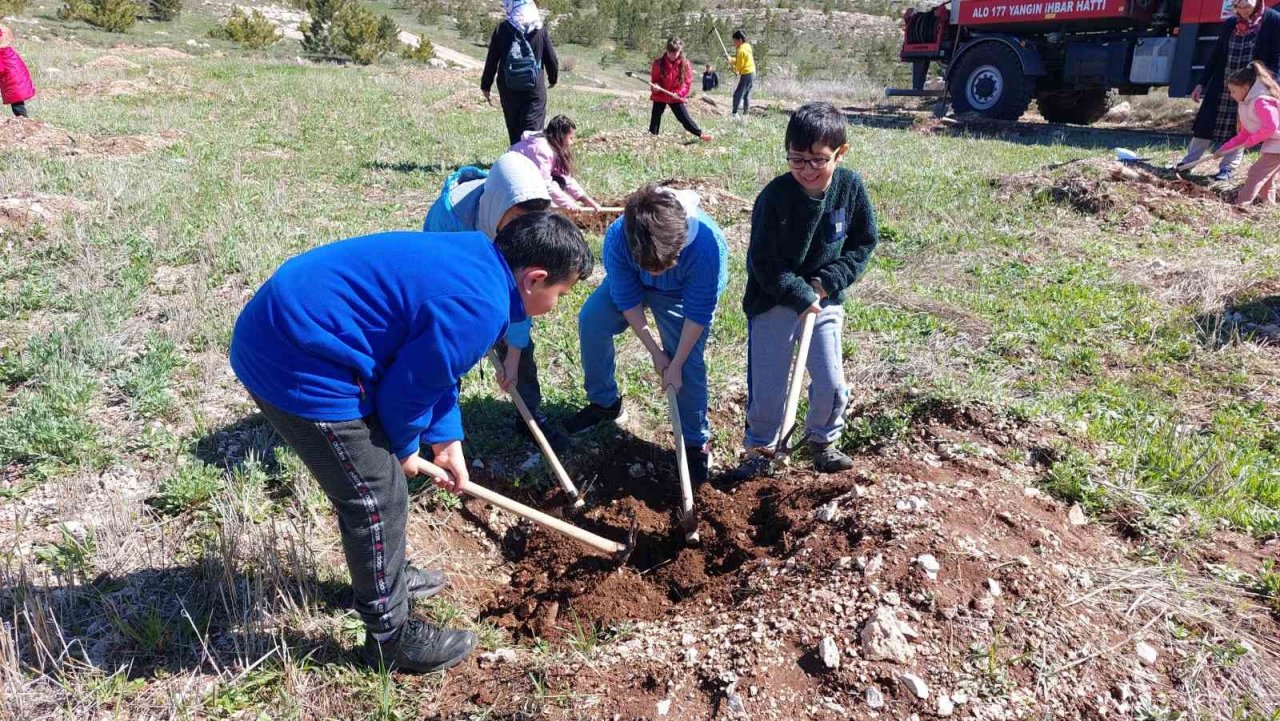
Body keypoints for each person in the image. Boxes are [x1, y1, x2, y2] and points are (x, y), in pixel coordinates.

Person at [229, 213, 593, 673]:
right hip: (295, 358)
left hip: (293, 324)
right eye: (560, 294)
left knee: (379, 484)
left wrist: (446, 440)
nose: (557, 304)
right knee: (376, 496)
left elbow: (432, 365)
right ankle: (390, 638)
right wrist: (403, 449)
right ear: (534, 278)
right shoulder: (480, 305)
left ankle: (389, 580)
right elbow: (404, 394)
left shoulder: (477, 259)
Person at [732, 102, 878, 480]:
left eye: (819, 160)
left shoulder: (850, 188)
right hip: (774, 300)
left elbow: (863, 243)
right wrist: (799, 293)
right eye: (797, 160)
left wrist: (827, 282)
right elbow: (762, 262)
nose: (807, 170)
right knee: (768, 389)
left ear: (840, 154)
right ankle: (761, 449)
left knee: (831, 383)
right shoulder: (774, 198)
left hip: (826, 298)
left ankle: (822, 441)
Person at [564, 184, 728, 484]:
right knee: (592, 320)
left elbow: (697, 315)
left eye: (663, 265)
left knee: (688, 362)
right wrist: (655, 353)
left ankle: (695, 442)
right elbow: (626, 298)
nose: (657, 272)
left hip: (681, 295)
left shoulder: (706, 247)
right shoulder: (618, 237)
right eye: (650, 266)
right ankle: (604, 402)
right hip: (633, 285)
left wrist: (674, 364)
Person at [422, 152, 570, 452]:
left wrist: (512, 353)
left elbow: (525, 294)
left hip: (498, 285)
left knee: (521, 350)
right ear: (498, 205)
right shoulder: (448, 219)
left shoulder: (529, 229)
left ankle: (529, 416)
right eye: (517, 220)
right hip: (451, 290)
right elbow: (436, 278)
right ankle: (434, 430)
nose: (522, 230)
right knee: (445, 354)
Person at [1178, 0, 1280, 181]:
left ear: (1257, 3)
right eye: (1238, 8)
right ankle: (1188, 163)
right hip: (1224, 83)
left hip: (1252, 88)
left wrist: (1272, 85)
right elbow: (1216, 55)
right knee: (1205, 124)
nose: (1243, 11)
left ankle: (1227, 169)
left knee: (1241, 127)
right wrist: (1202, 83)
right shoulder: (1231, 24)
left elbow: (1277, 57)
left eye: (1246, 7)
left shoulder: (1273, 21)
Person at [481, 0, 560, 146]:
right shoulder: (539, 29)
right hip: (533, 88)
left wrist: (485, 86)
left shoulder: (502, 29)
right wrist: (553, 78)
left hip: (508, 87)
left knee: (514, 128)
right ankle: (531, 160)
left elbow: (492, 60)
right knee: (533, 130)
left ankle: (516, 159)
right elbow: (551, 58)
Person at [1215, 61, 1280, 204]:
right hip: (1275, 144)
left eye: (1233, 91)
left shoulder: (1261, 102)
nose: (1231, 95)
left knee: (1256, 173)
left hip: (1278, 144)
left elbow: (1271, 126)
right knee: (1267, 177)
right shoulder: (1245, 104)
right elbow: (1244, 134)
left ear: (1245, 88)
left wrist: (1250, 142)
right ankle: (1268, 205)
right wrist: (1224, 149)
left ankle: (1240, 205)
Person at [511, 114, 602, 210]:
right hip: (516, 186)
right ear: (560, 136)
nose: (572, 143)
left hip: (528, 181)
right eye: (570, 138)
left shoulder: (551, 143)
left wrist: (586, 200)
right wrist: (570, 205)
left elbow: (565, 177)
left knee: (560, 180)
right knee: (554, 184)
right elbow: (546, 185)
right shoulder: (542, 150)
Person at [649, 37, 713, 142]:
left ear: (680, 51)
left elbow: (686, 83)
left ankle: (701, 134)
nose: (672, 55)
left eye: (675, 53)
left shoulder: (685, 64)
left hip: (675, 96)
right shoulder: (658, 63)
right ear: (666, 50)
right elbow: (654, 80)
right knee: (656, 116)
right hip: (661, 94)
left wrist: (679, 93)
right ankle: (651, 138)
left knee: (684, 118)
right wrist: (655, 87)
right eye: (670, 52)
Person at [0, 24, 35, 118]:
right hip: (19, 80)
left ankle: (24, 121)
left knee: (17, 106)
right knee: (18, 103)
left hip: (14, 83)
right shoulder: (7, 50)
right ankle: (24, 120)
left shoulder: (1, 54)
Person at [730, 29, 756, 120]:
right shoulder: (747, 46)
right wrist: (732, 60)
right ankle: (745, 114)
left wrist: (733, 68)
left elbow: (738, 67)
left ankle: (734, 113)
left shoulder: (740, 50)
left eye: (735, 41)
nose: (734, 43)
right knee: (746, 95)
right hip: (752, 73)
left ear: (740, 40)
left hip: (746, 74)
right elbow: (741, 60)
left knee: (737, 94)